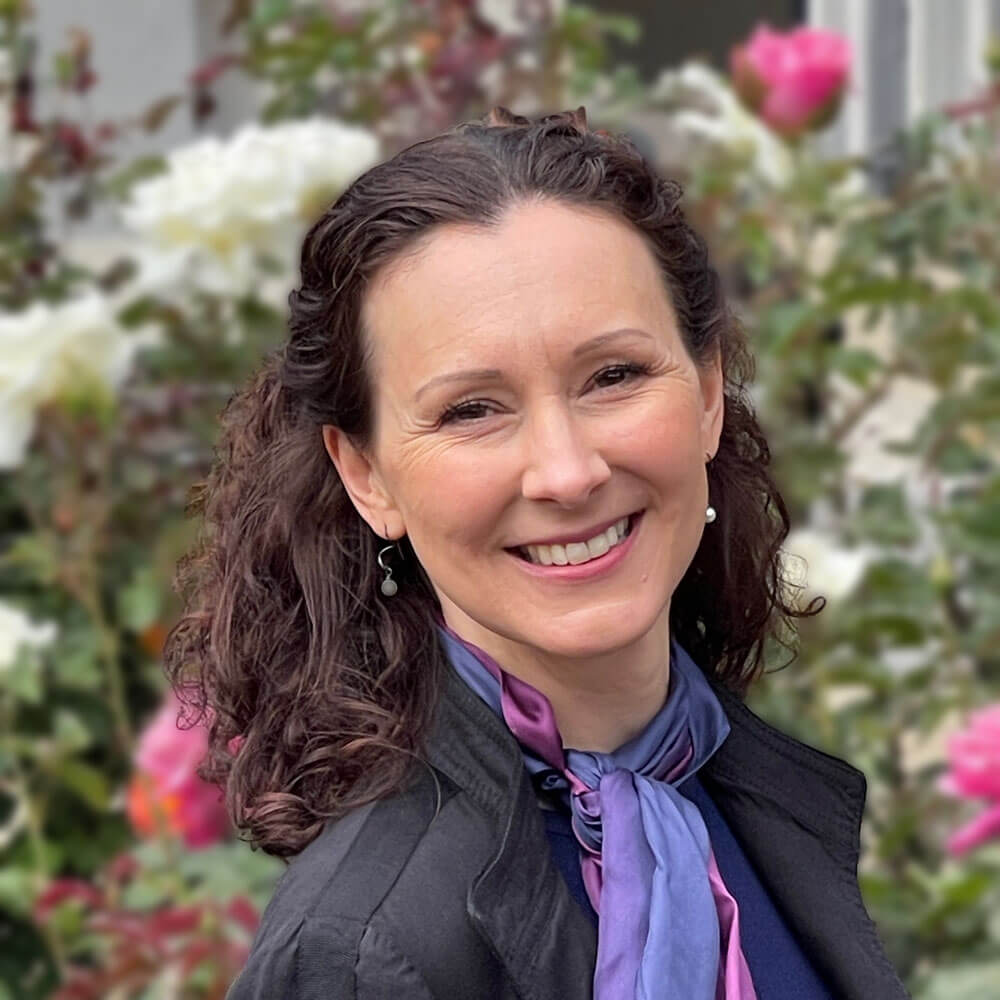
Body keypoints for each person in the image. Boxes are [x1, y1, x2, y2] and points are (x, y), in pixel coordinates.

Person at [165, 106, 910, 999]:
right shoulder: (360, 956)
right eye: (472, 409)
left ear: (709, 392)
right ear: (367, 474)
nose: (566, 471)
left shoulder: (751, 804)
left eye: (615, 376)